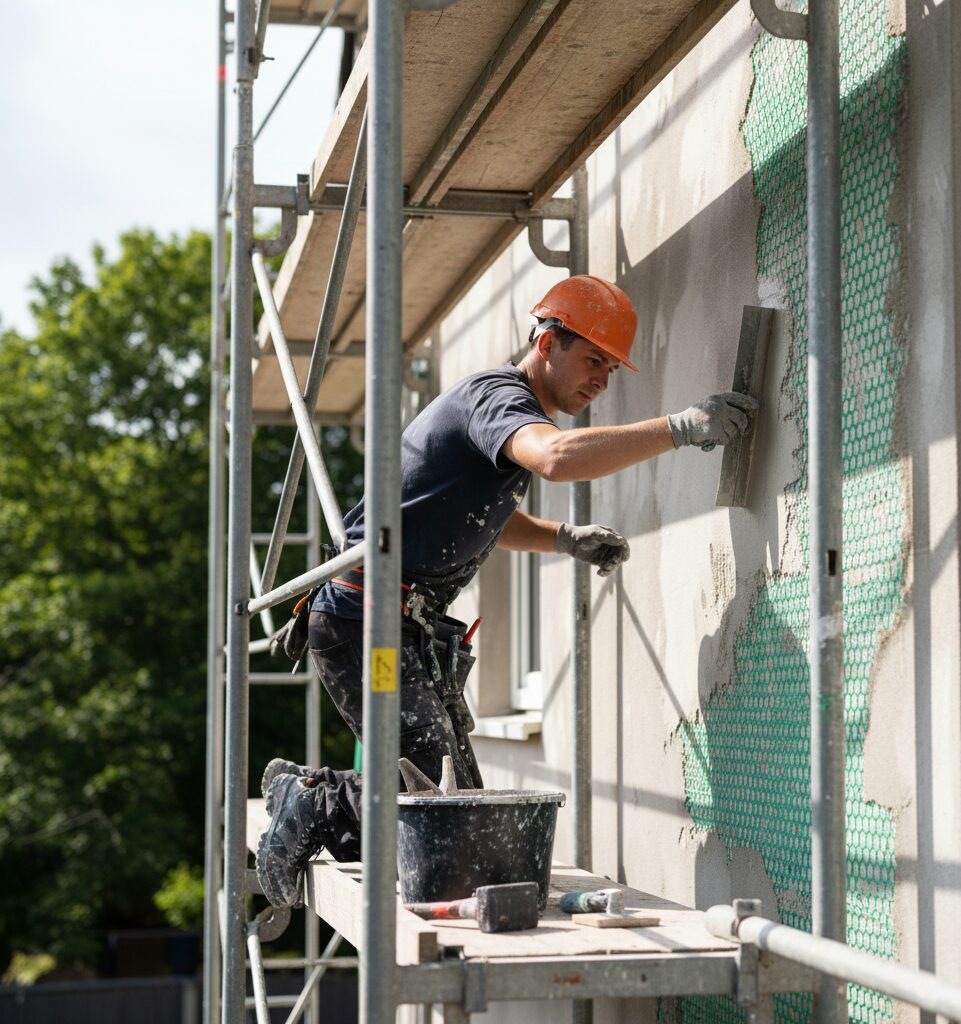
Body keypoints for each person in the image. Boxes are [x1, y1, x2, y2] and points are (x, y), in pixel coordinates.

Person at [256, 274, 757, 907]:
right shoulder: (497, 396)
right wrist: (680, 427)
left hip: (401, 623)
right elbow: (556, 458)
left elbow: (478, 515)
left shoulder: (507, 414)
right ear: (548, 341)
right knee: (429, 803)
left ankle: (307, 794)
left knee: (456, 820)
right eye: (594, 359)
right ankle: (312, 801)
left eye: (611, 368)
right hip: (366, 618)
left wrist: (563, 539)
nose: (602, 379)